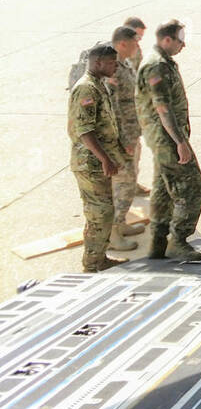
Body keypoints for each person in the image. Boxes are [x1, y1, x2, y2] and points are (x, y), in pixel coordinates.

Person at [135, 19, 201, 261]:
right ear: (167, 39)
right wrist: (180, 142)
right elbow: (163, 109)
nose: (183, 46)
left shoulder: (163, 62)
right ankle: (178, 239)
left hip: (161, 137)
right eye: (180, 41)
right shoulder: (157, 66)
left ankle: (157, 242)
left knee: (163, 190)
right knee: (192, 185)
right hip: (165, 138)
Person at [68, 43, 128, 272]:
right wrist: (105, 159)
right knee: (99, 213)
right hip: (89, 162)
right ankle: (92, 265)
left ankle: (98, 259)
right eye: (112, 63)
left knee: (102, 212)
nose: (116, 67)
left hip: (95, 162)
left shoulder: (97, 85)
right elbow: (85, 130)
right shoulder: (86, 89)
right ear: (98, 63)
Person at [107, 24, 147, 252]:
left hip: (131, 134)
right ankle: (113, 234)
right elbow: (112, 110)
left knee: (129, 181)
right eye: (135, 42)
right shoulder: (111, 67)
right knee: (122, 184)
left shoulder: (123, 63)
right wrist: (123, 141)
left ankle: (120, 224)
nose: (138, 46)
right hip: (121, 139)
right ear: (122, 44)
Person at [122, 16, 149, 192]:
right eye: (136, 37)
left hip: (132, 110)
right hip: (118, 114)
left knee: (135, 149)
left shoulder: (135, 50)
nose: (139, 41)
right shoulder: (113, 53)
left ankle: (131, 184)